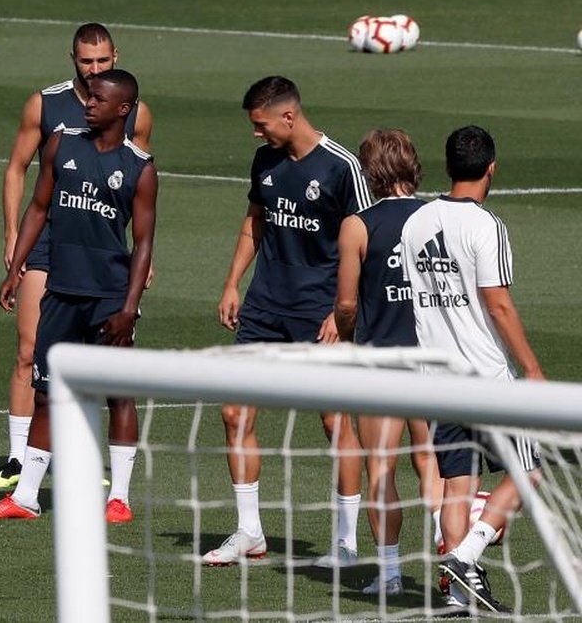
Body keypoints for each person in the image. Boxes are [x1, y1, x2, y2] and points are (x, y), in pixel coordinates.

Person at [0, 69, 157, 523]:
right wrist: (16, 269)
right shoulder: (62, 144)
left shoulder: (139, 167)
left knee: (118, 395)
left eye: (99, 99)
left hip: (108, 296)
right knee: (46, 394)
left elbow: (145, 242)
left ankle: (120, 498)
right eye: (88, 97)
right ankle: (26, 496)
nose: (88, 104)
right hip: (60, 290)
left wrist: (129, 309)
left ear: (123, 109)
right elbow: (38, 209)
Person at [203, 76, 372, 567]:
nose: (257, 134)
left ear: (288, 117)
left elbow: (367, 244)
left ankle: (345, 543)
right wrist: (233, 281)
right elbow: (255, 221)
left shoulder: (343, 167)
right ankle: (249, 531)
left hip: (319, 315)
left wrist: (344, 314)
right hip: (263, 307)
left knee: (333, 421)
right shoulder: (266, 161)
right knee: (234, 414)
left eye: (262, 125)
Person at [400, 125, 544, 614]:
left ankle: (459, 598)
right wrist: (532, 368)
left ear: (448, 166)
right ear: (491, 169)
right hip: (487, 382)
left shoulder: (415, 222)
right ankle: (466, 556)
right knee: (529, 473)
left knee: (458, 485)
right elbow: (498, 305)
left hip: (437, 381)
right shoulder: (486, 226)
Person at [334, 129, 444, 596]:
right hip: (436, 357)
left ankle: (392, 574)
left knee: (382, 468)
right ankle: (451, 548)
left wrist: (344, 339)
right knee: (436, 462)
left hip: (382, 361)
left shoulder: (359, 225)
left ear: (369, 170)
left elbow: (345, 304)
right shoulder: (437, 217)